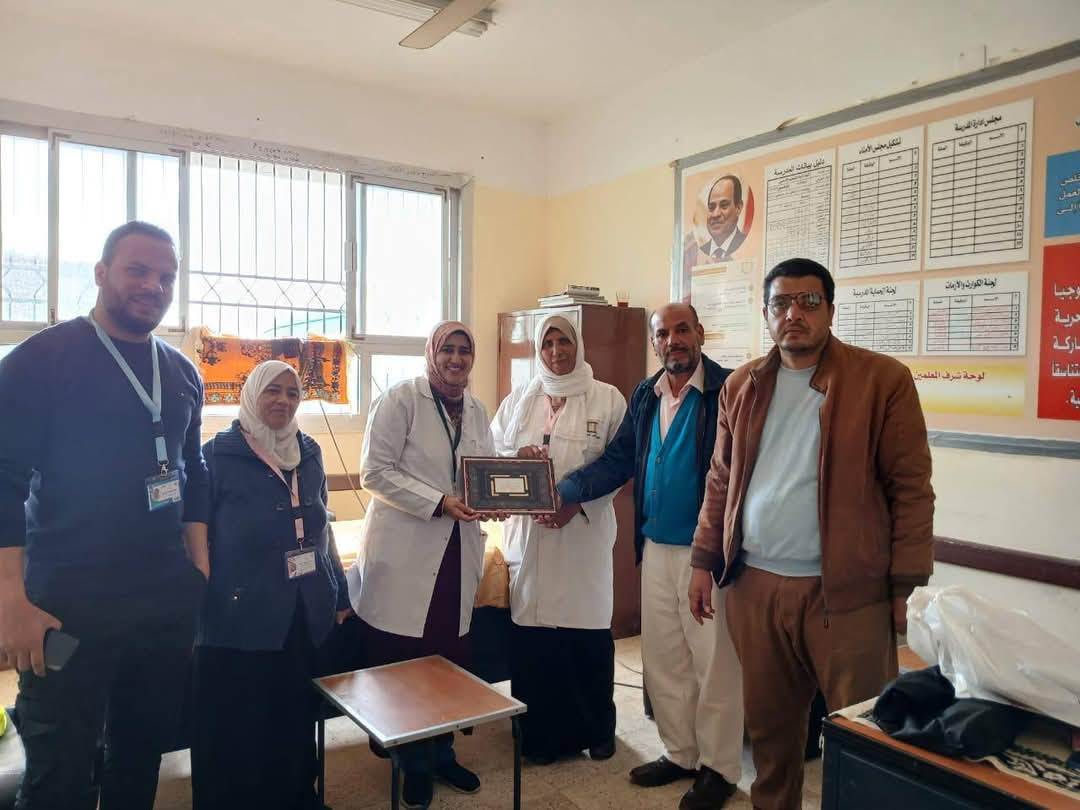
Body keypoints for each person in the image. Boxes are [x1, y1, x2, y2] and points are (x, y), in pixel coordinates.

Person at [688, 257, 935, 810]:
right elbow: (720, 479)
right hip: (755, 587)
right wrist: (704, 560)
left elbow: (912, 489)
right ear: (766, 313)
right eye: (781, 303)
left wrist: (904, 586)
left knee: (863, 736)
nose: (793, 314)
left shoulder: (881, 381)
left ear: (830, 310)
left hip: (846, 595)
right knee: (771, 737)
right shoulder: (742, 385)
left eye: (808, 302)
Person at [0, 220, 210, 809]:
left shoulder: (181, 372)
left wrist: (198, 572)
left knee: (139, 757)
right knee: (57, 768)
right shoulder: (41, 361)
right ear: (100, 273)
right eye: (137, 271)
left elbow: (193, 474)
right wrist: (10, 600)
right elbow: (3, 479)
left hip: (161, 610)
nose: (153, 286)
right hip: (66, 608)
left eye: (166, 276)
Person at [556, 304, 743, 810]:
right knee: (664, 659)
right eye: (663, 333)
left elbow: (738, 475)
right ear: (654, 342)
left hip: (708, 555)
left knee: (714, 664)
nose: (673, 340)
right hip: (655, 548)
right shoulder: (646, 394)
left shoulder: (727, 390)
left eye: (682, 330)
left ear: (700, 333)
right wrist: (567, 489)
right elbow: (618, 459)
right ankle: (681, 753)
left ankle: (720, 769)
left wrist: (716, 551)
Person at [189, 360, 353, 809]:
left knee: (293, 712)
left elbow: (322, 529)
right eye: (273, 391)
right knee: (236, 721)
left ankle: (296, 795)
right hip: (238, 613)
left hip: (302, 609)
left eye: (293, 392)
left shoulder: (310, 452)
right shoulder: (216, 455)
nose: (284, 400)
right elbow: (195, 537)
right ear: (251, 394)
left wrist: (339, 590)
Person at [348, 321, 497, 809]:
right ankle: (410, 761)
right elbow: (374, 472)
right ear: (431, 352)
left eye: (464, 350)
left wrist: (494, 495)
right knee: (403, 660)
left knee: (446, 658)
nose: (456, 358)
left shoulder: (477, 409)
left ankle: (443, 752)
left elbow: (483, 471)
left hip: (457, 549)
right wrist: (438, 501)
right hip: (406, 548)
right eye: (447, 349)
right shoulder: (399, 401)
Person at [490, 314, 627, 764]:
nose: (555, 351)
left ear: (577, 344)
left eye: (563, 341)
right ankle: (539, 736)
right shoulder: (519, 400)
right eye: (547, 342)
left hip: (582, 535)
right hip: (529, 537)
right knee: (535, 639)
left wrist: (575, 505)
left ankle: (598, 731)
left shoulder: (607, 399)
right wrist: (518, 455)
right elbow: (492, 455)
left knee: (586, 634)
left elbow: (617, 465)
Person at [682, 175, 746, 274]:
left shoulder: (744, 249)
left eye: (724, 205)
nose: (715, 214)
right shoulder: (693, 250)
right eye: (711, 207)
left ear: (738, 208)